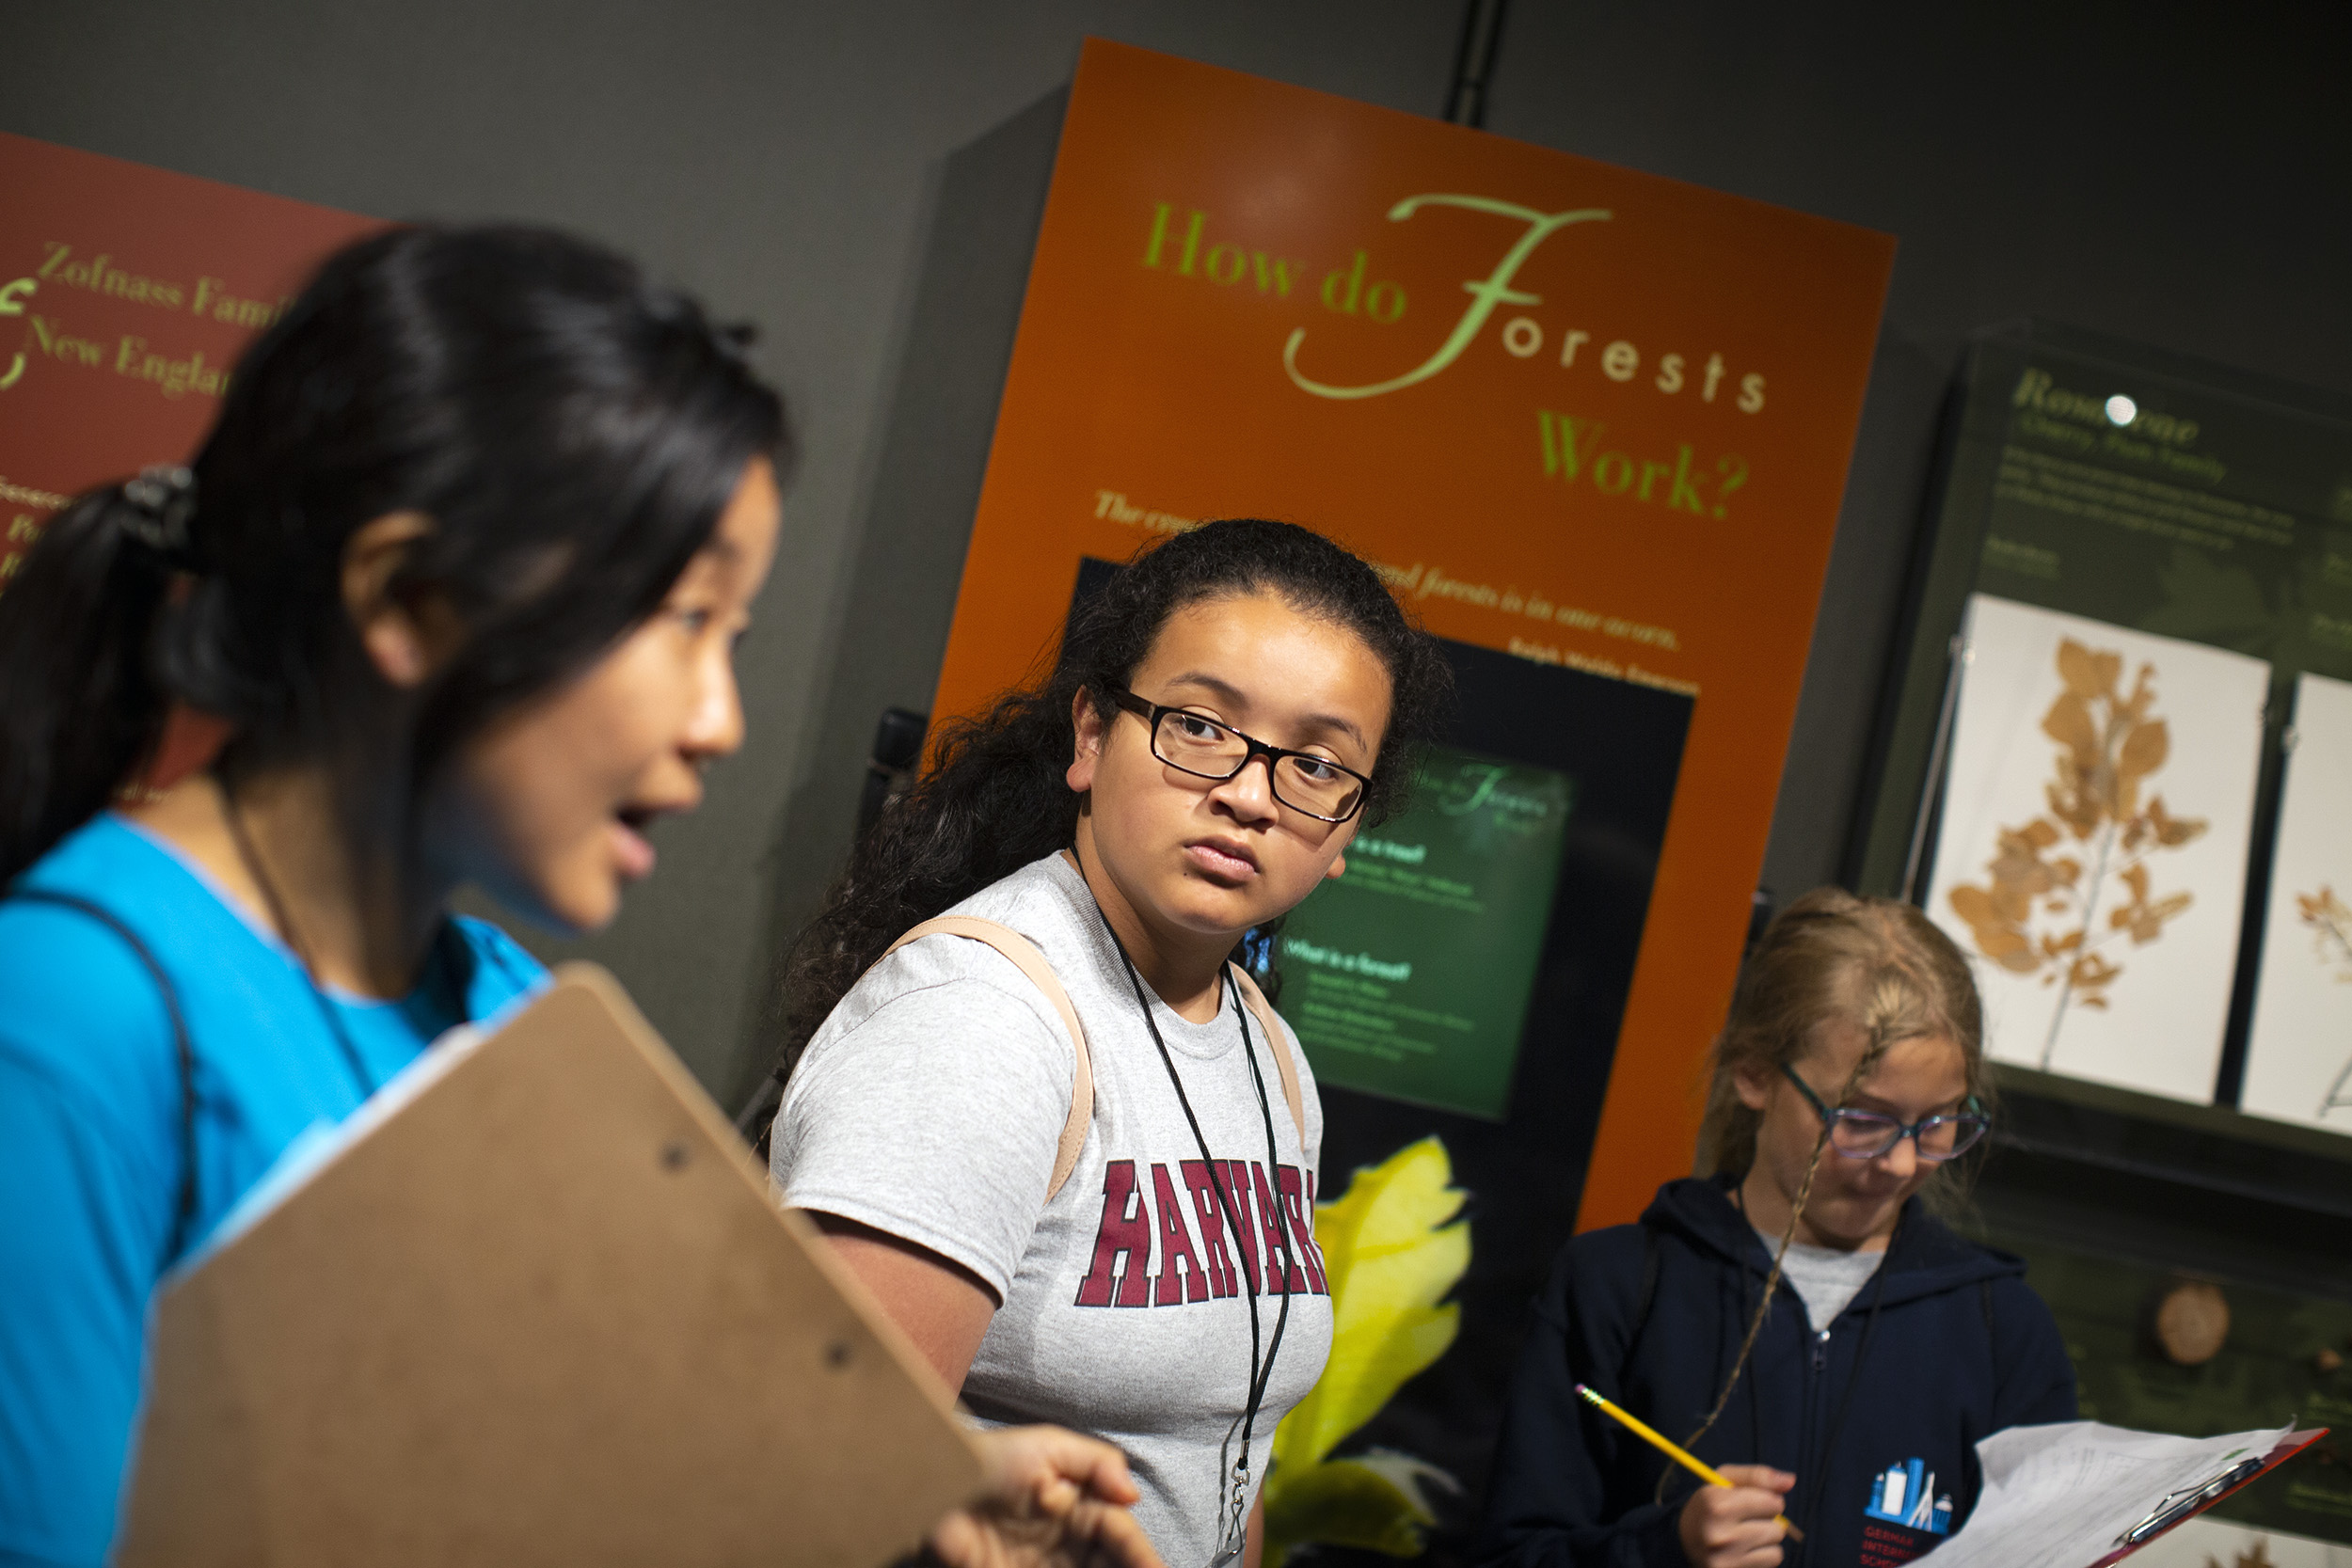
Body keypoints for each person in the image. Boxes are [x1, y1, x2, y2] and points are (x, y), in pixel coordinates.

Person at [0, 224, 1154, 1568]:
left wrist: (888, 1481)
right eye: (677, 620)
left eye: (736, 637)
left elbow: (551, 1441)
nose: (719, 719)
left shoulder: (498, 998)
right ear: (410, 598)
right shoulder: (66, 1019)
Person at [760, 519, 1454, 1567]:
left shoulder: (1266, 1053)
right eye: (1200, 725)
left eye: (1315, 764)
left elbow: (1222, 1454)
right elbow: (825, 1472)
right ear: (1090, 734)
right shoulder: (982, 1020)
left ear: (1349, 830)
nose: (1250, 793)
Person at [1474, 890, 2076, 1568]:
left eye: (1938, 1122)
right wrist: (1663, 1549)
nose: (1903, 1161)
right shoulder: (1618, 1286)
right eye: (1863, 1119)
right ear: (1755, 1073)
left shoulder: (2004, 1332)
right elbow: (1514, 1554)